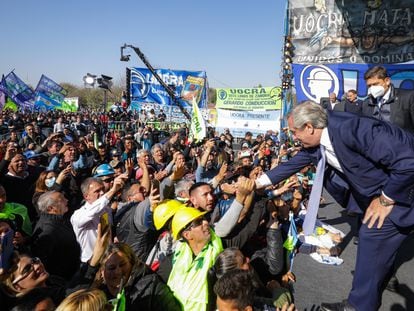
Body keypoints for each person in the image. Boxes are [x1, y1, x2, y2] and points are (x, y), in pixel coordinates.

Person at [255, 101, 414, 311]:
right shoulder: (315, 143)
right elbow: (291, 165)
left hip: (401, 195)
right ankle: (362, 302)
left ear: (309, 127)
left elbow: (409, 160)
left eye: (295, 132)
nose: (294, 137)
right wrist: (255, 184)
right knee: (371, 245)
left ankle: (359, 305)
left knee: (371, 240)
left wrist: (386, 199)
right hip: (379, 198)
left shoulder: (355, 129)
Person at [166, 207, 223, 311]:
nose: (206, 222)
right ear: (187, 234)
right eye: (198, 222)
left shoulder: (218, 249)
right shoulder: (176, 257)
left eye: (204, 218)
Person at [70, 174, 127, 263]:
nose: (102, 193)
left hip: (109, 258)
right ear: (86, 196)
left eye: (102, 189)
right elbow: (92, 211)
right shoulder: (78, 215)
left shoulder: (106, 209)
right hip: (90, 262)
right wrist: (112, 190)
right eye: (97, 191)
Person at [31, 191, 81, 281]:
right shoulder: (48, 231)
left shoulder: (59, 221)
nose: (67, 200)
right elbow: (43, 262)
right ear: (51, 208)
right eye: (61, 199)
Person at [362, 65, 414, 133]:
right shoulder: (366, 103)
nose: (372, 88)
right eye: (369, 85)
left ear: (387, 81)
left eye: (375, 84)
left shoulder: (407, 97)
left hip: (401, 142)